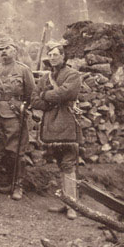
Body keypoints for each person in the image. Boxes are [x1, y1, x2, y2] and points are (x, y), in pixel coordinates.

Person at [31, 40, 82, 220]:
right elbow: (34, 100)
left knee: (68, 164)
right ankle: (65, 202)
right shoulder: (45, 78)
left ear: (63, 56)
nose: (52, 58)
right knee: (61, 163)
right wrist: (48, 98)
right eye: (50, 55)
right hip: (52, 126)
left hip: (67, 123)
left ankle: (73, 206)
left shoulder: (73, 75)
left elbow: (66, 93)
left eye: (56, 54)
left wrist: (46, 95)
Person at [0, 36, 37, 200]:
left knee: (16, 151)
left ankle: (18, 185)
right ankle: (8, 182)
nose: (3, 52)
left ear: (15, 50)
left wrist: (23, 108)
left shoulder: (23, 70)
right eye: (0, 49)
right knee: (2, 150)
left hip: (15, 115)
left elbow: (32, 93)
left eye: (7, 48)